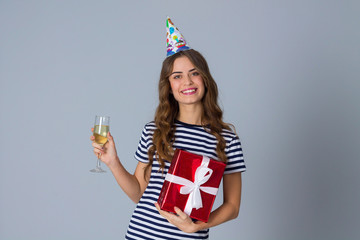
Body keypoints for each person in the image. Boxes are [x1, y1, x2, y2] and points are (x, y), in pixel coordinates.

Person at [90, 17, 246, 240]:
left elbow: (232, 206)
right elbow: (139, 193)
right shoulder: (154, 130)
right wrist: (113, 162)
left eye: (194, 73)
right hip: (140, 234)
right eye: (177, 76)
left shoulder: (226, 139)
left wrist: (196, 226)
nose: (187, 82)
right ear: (169, 87)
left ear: (205, 79)